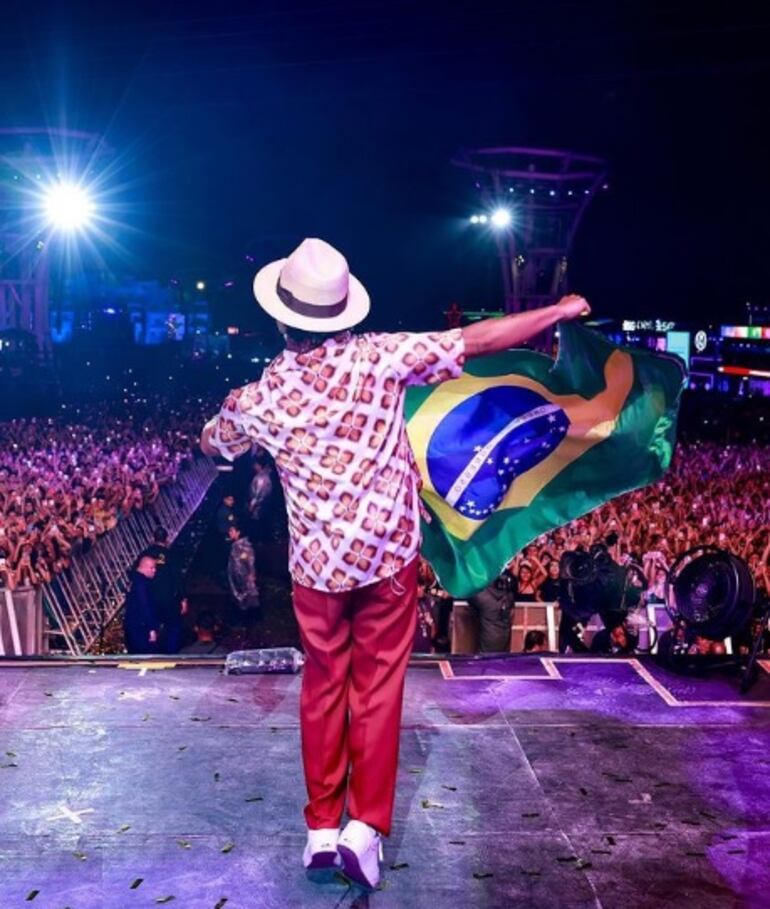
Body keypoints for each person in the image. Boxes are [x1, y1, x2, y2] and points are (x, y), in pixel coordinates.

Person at [200, 237, 590, 889]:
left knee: (325, 685)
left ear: (280, 318)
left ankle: (321, 829)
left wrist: (229, 420)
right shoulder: (380, 357)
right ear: (345, 311)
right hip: (386, 561)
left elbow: (217, 444)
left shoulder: (259, 396)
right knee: (376, 689)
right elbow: (481, 340)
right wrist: (555, 312)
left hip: (317, 572)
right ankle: (365, 829)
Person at [139, 526, 188, 653]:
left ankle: (152, 654)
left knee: (151, 627)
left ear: (152, 538)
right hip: (169, 599)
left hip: (150, 598)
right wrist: (183, 598)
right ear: (166, 539)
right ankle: (171, 653)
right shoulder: (171, 555)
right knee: (173, 627)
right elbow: (178, 577)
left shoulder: (145, 555)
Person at [467, 574, 516, 652]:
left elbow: (466, 591)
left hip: (487, 645)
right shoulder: (509, 597)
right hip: (504, 643)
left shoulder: (483, 597)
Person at [123, 555, 160, 654]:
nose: (154, 570)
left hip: (131, 625)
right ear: (144, 567)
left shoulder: (132, 580)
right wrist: (151, 628)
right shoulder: (142, 584)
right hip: (141, 627)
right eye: (152, 568)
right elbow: (145, 606)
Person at [226, 524, 260, 620]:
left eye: (232, 531)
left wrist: (252, 574)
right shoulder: (235, 545)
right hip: (238, 579)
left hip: (245, 580)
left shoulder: (244, 546)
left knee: (248, 600)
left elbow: (250, 561)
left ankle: (250, 620)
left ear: (238, 533)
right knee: (240, 600)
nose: (229, 533)